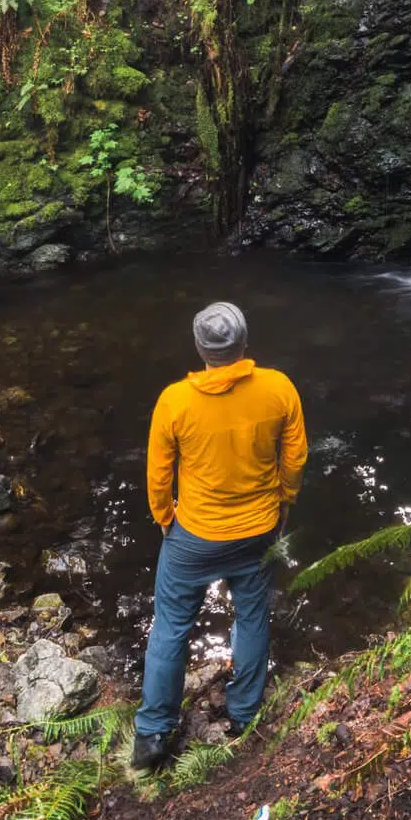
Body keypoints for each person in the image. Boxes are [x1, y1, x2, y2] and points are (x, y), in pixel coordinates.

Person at [132, 302, 307, 771]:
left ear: (199, 348)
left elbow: (157, 473)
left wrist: (164, 518)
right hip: (257, 530)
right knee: (250, 616)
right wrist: (284, 502)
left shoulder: (175, 400)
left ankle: (153, 734)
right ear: (244, 344)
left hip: (193, 535)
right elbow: (295, 459)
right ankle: (245, 715)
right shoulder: (278, 388)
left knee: (170, 625)